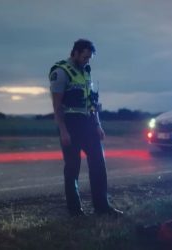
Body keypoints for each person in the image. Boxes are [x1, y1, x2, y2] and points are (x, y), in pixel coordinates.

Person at [49, 39, 123, 217]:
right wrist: (63, 130)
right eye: (84, 57)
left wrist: (98, 124)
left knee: (99, 164)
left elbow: (92, 102)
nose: (87, 61)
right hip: (70, 123)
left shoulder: (86, 72)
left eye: (89, 58)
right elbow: (57, 105)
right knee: (73, 168)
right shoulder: (60, 72)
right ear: (74, 52)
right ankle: (75, 211)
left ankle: (102, 207)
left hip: (89, 123)